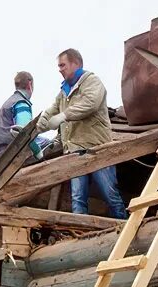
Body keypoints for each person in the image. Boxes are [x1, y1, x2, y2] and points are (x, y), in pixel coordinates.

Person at [37, 48, 128, 219]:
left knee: (110, 194)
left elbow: (90, 103)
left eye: (63, 65)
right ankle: (80, 232)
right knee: (78, 198)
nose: (60, 69)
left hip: (97, 149)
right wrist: (32, 130)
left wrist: (64, 115)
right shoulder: (64, 92)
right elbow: (49, 113)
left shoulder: (92, 82)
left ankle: (124, 227)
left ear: (75, 63)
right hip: (75, 151)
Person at [0, 71, 43, 164]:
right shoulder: (21, 103)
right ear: (30, 84)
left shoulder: (10, 102)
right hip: (8, 155)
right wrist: (38, 152)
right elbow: (24, 133)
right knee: (49, 143)